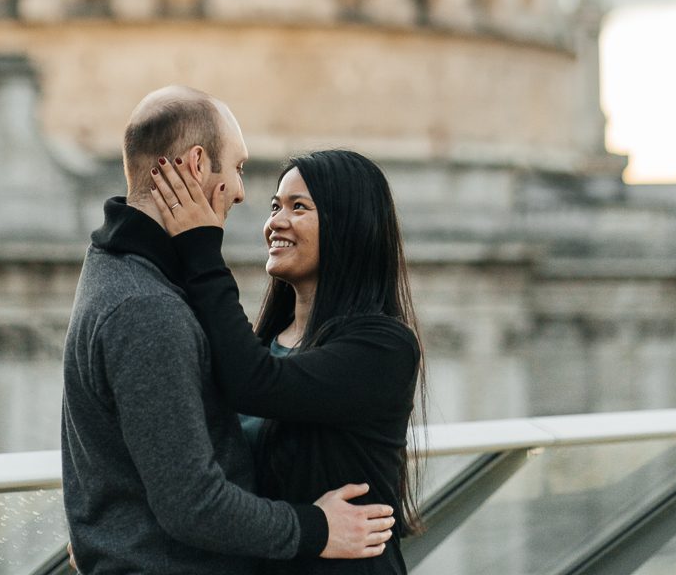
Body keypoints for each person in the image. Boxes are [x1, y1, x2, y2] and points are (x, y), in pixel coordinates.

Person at [62, 86, 395, 574]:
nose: (243, 193)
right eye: (238, 168)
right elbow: (193, 502)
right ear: (197, 165)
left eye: (296, 207)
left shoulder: (115, 274)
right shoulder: (146, 307)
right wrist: (315, 528)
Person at [150, 145, 424, 574]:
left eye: (299, 207)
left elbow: (255, 384)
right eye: (275, 206)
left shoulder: (383, 347)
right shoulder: (266, 346)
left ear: (347, 226)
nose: (275, 222)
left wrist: (201, 249)